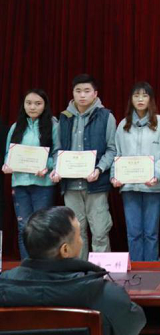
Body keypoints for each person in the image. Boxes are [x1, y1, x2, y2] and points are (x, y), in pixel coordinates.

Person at [0, 206, 147, 335]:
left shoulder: (4, 285)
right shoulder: (103, 293)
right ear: (65, 250)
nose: (82, 241)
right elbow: (134, 324)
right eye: (79, 236)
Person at [51, 74, 117, 260]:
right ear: (73, 93)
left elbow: (112, 149)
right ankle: (79, 271)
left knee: (100, 231)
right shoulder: (64, 117)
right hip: (70, 185)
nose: (82, 95)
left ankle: (101, 271)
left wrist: (99, 169)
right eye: (78, 91)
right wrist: (57, 168)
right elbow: (57, 150)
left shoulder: (106, 116)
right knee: (76, 234)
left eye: (87, 91)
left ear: (95, 94)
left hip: (96, 184)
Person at [111, 82, 160, 262]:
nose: (140, 99)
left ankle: (151, 267)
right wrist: (115, 176)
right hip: (129, 187)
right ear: (131, 100)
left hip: (154, 187)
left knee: (151, 232)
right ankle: (136, 268)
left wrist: (155, 173)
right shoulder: (123, 125)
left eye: (144, 95)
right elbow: (117, 154)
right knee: (133, 233)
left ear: (150, 99)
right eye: (136, 95)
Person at [3, 90, 60, 259]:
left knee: (42, 227)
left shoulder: (53, 125)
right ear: (23, 105)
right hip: (20, 183)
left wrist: (46, 165)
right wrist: (7, 164)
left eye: (38, 103)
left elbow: (58, 153)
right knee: (24, 227)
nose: (32, 107)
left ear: (45, 105)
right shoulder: (16, 126)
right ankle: (27, 267)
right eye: (28, 103)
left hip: (43, 184)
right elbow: (8, 153)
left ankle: (43, 267)